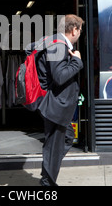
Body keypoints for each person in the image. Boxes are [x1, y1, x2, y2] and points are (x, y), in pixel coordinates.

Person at [33, 14, 84, 186]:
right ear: (73, 29)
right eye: (80, 29)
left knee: (67, 136)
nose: (80, 33)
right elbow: (59, 76)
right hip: (55, 104)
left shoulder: (56, 43)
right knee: (55, 144)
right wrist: (76, 61)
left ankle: (49, 167)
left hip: (57, 104)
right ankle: (47, 183)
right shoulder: (57, 46)